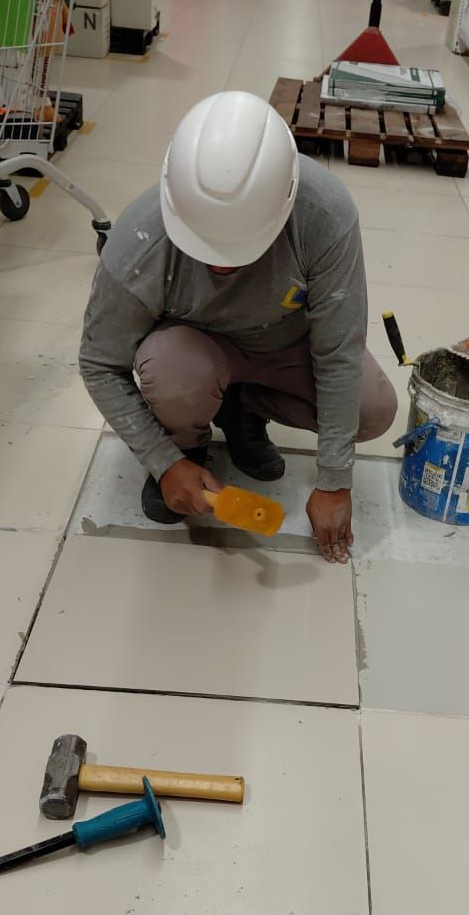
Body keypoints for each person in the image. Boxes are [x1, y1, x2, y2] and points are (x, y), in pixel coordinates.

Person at [79, 91, 398, 562]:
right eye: (204, 247)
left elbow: (338, 352)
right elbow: (99, 364)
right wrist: (164, 461)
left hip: (284, 343)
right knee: (171, 373)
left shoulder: (324, 215)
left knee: (373, 410)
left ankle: (239, 409)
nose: (222, 268)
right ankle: (187, 446)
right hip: (193, 352)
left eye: (240, 249)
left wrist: (335, 481)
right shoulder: (139, 244)